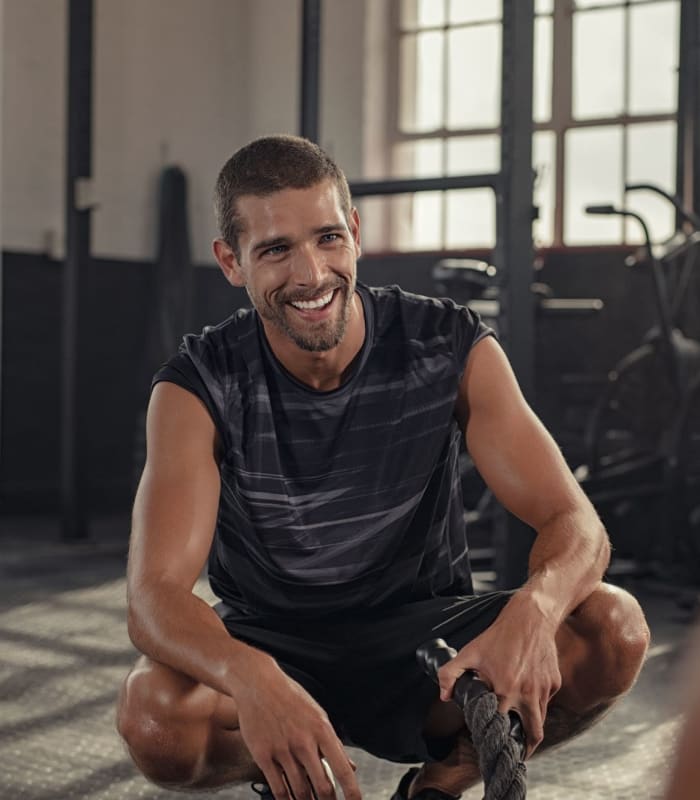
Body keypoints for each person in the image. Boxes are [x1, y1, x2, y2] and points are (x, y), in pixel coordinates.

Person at [116, 134, 651, 800]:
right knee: (153, 719)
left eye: (328, 238)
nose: (312, 274)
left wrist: (534, 613)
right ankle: (289, 771)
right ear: (231, 261)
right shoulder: (197, 385)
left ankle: (439, 785)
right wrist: (251, 678)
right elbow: (154, 598)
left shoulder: (447, 345)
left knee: (612, 628)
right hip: (273, 641)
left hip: (425, 645)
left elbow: (576, 521)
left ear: (356, 233)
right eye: (277, 250)